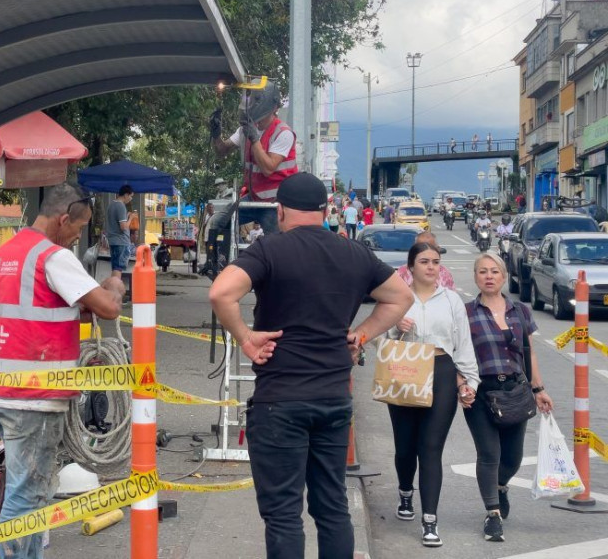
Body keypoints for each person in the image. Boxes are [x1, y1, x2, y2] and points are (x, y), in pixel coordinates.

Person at [208, 172, 414, 559]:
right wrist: (362, 334)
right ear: (325, 211)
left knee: (284, 514)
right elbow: (401, 297)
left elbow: (221, 292)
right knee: (332, 507)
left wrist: (246, 338)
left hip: (280, 401)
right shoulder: (353, 253)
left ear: (281, 210)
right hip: (334, 400)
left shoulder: (269, 250)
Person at [0, 183, 124, 559]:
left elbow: (32, 307)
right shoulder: (53, 257)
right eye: (78, 228)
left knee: (29, 490)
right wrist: (115, 286)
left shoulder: (5, 253)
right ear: (63, 220)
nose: (79, 236)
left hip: (0, 391)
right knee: (25, 496)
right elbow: (108, 308)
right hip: (35, 397)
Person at [387, 243, 480, 547]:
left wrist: (469, 381)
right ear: (410, 266)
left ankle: (430, 520)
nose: (431, 267)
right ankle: (404, 491)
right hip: (405, 369)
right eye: (424, 261)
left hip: (441, 368)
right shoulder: (398, 297)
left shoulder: (452, 300)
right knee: (405, 447)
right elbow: (380, 340)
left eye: (435, 262)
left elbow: (462, 343)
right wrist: (395, 326)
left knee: (430, 448)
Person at [463, 252, 554, 543]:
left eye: (494, 271)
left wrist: (538, 389)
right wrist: (461, 385)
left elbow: (529, 352)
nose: (488, 276)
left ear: (503, 276)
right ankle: (492, 515)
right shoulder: (466, 312)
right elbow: (457, 354)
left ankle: (500, 486)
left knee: (512, 458)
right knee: (489, 454)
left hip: (515, 390)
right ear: (476, 277)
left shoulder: (521, 311)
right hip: (479, 391)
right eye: (482, 271)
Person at [210, 81, 297, 201]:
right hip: (254, 196)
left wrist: (254, 139)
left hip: (277, 201)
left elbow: (268, 169)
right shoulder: (245, 130)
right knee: (222, 219)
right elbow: (222, 151)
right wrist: (216, 134)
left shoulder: (283, 133)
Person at [106, 185, 134, 279]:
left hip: (112, 240)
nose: (130, 199)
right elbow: (123, 227)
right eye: (130, 196)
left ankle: (113, 290)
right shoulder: (121, 206)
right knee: (118, 269)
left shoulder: (111, 205)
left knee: (115, 268)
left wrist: (126, 216)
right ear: (126, 195)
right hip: (121, 241)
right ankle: (115, 291)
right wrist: (130, 218)